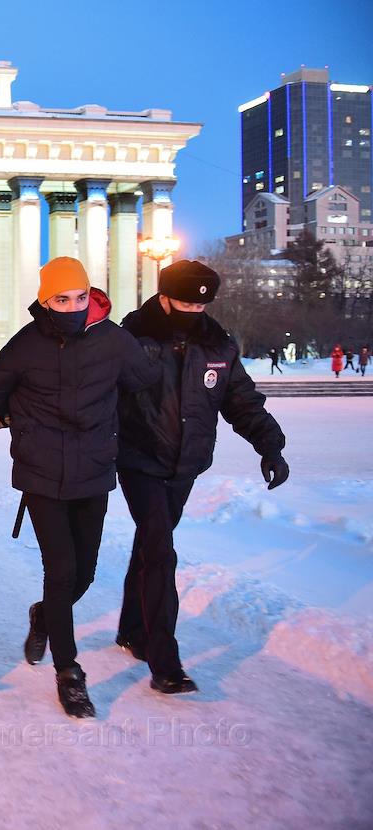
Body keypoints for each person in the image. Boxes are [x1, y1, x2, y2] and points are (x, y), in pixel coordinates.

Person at [0, 257, 160, 719]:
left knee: (85, 574)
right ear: (44, 301)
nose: (73, 307)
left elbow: (146, 385)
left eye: (80, 298)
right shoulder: (24, 346)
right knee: (60, 572)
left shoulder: (114, 340)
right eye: (62, 299)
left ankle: (44, 616)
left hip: (94, 474)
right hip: (41, 477)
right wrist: (8, 418)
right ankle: (69, 672)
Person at [115, 260, 288, 694]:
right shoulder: (132, 337)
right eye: (186, 301)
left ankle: (132, 629)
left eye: (201, 303)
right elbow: (97, 393)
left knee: (150, 547)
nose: (194, 310)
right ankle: (165, 661)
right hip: (140, 460)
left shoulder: (218, 344)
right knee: (160, 550)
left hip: (185, 464)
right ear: (164, 296)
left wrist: (270, 445)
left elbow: (242, 402)